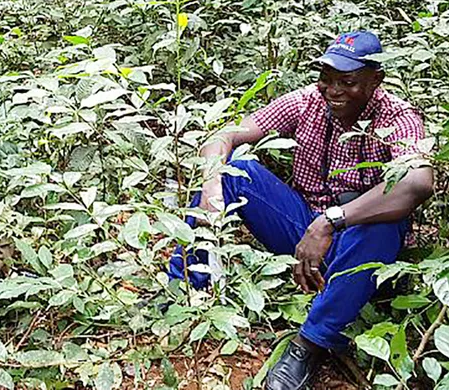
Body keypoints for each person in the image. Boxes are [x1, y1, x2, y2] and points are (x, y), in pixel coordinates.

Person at [168, 31, 434, 390]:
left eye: (348, 81)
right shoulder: (307, 102)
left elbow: (417, 184)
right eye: (326, 79)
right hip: (303, 229)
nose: (333, 90)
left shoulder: (397, 118)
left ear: (375, 81)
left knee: (385, 224)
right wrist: (213, 182)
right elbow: (225, 135)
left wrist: (331, 221)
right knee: (237, 171)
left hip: (360, 246)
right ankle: (184, 286)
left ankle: (308, 345)